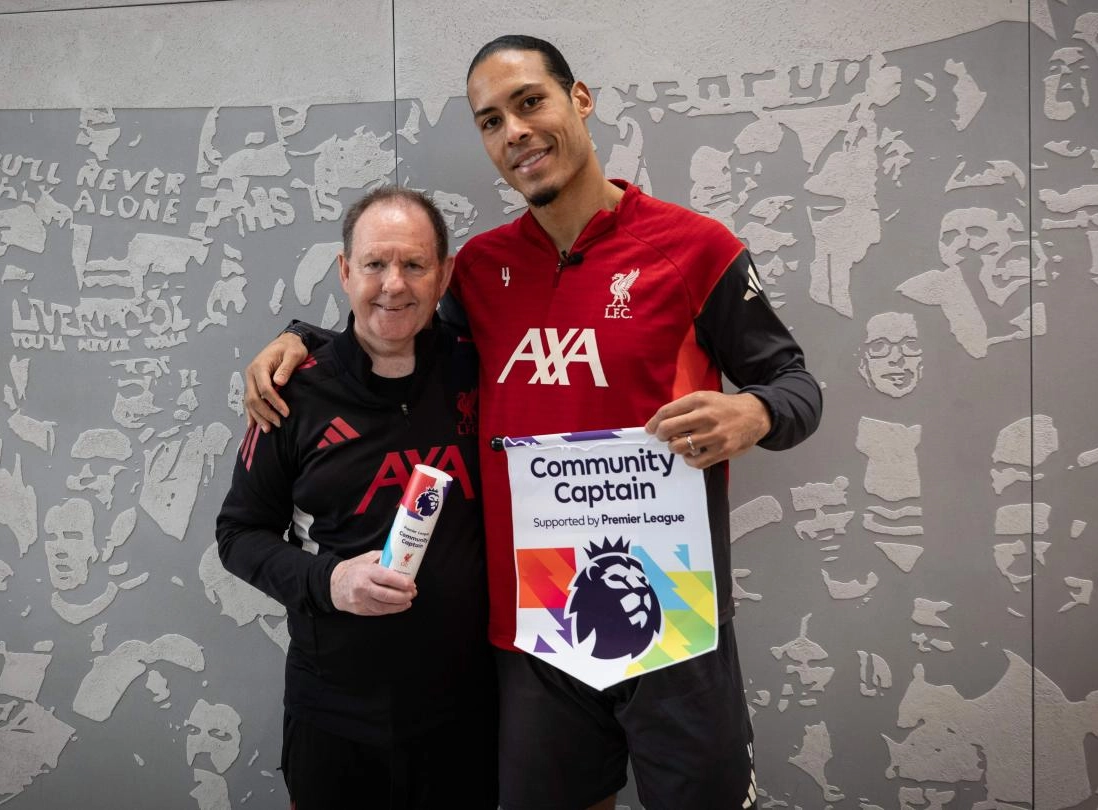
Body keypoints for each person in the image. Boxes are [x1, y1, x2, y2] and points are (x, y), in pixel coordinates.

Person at [245, 36, 822, 810]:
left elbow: (795, 384)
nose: (514, 131)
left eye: (529, 102)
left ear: (578, 100)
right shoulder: (479, 270)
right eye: (490, 121)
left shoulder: (696, 249)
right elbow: (395, 331)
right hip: (535, 629)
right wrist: (305, 339)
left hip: (674, 620)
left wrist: (753, 411)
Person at [214, 187, 495, 810]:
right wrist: (330, 581)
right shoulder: (291, 394)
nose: (394, 285)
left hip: (467, 716)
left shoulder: (484, 373)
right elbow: (238, 535)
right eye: (374, 264)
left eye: (415, 265)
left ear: (444, 274)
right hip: (333, 716)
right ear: (345, 271)